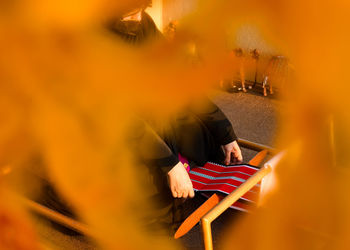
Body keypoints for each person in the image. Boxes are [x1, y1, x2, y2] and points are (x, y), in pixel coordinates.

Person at [107, 2, 243, 232]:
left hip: (145, 111)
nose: (138, 17)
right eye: (131, 13)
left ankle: (199, 175)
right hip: (110, 128)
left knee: (199, 128)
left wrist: (225, 133)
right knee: (153, 200)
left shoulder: (144, 24)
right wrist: (169, 164)